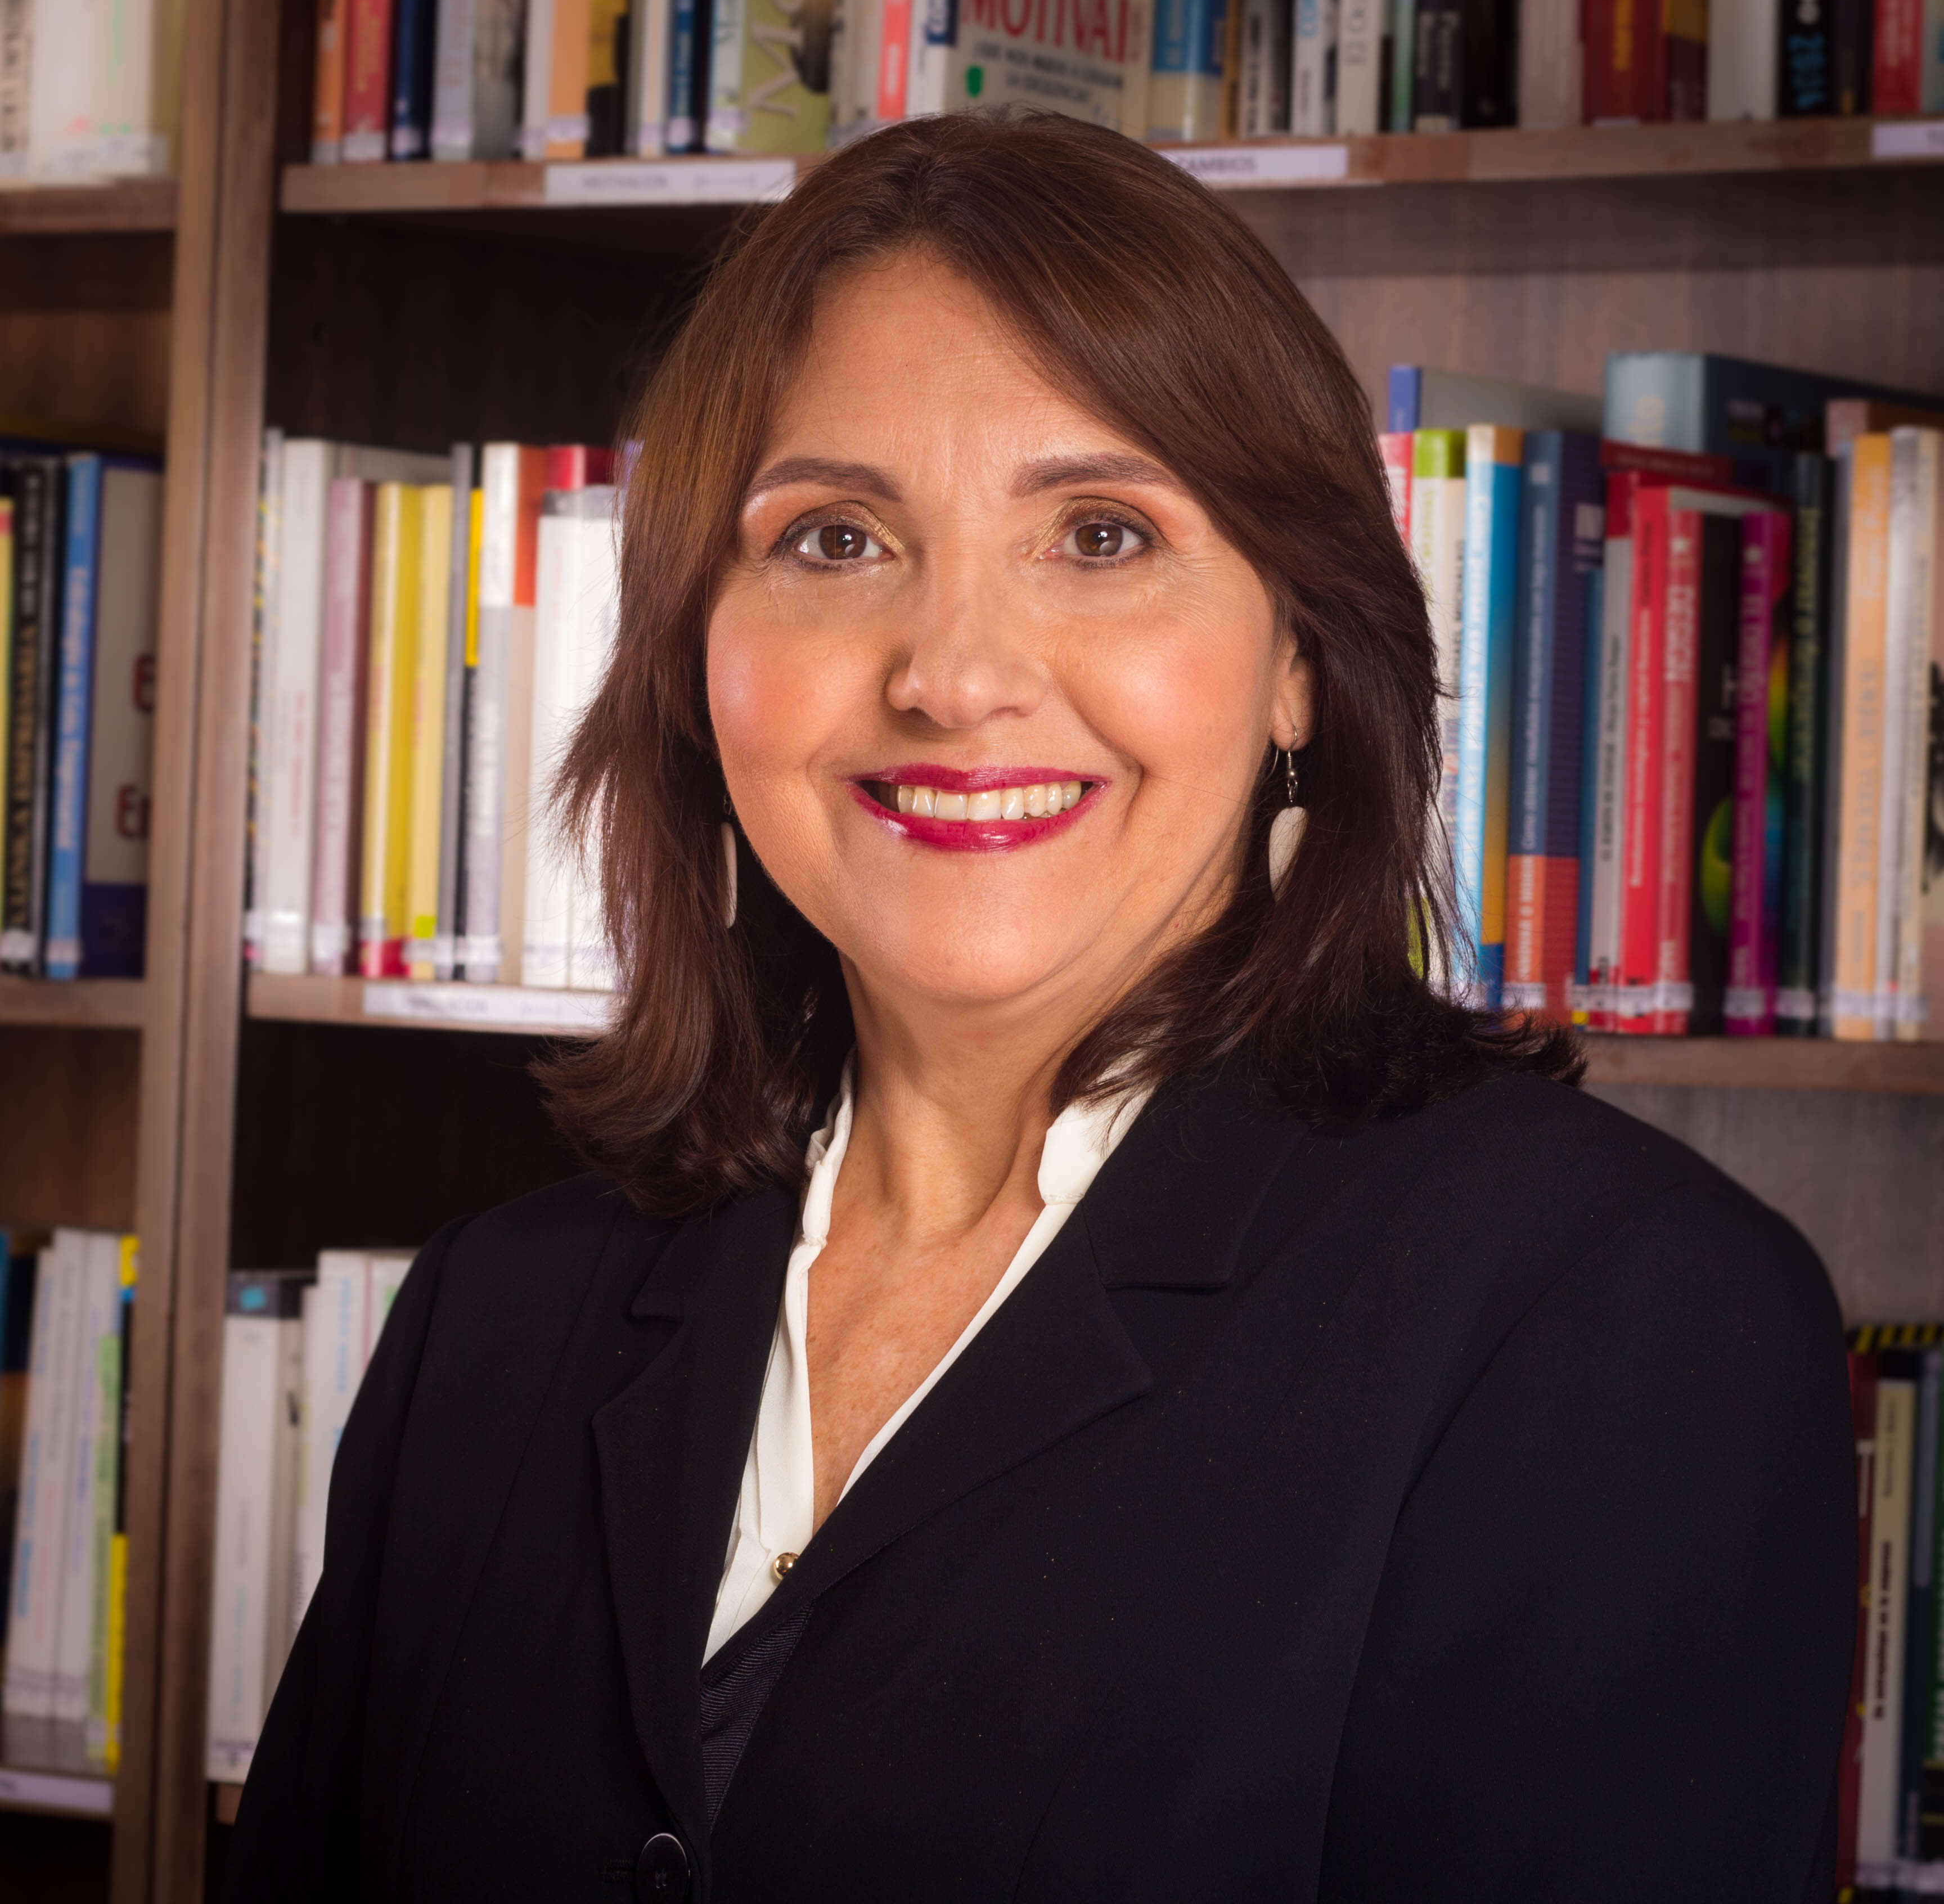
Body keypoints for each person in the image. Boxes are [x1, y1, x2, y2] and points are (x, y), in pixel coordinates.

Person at [227, 110, 1853, 1904]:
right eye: (836, 540)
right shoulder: (495, 1317)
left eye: (1099, 533)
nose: (954, 676)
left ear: (1301, 657)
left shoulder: (1621, 1323)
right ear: (696, 653)